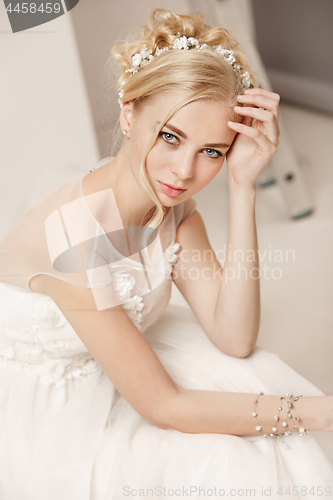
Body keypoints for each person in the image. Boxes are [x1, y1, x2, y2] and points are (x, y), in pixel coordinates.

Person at [0, 8, 332, 500]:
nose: (183, 171)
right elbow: (164, 405)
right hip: (44, 401)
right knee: (225, 461)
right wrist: (318, 411)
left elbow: (234, 336)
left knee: (253, 387)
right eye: (170, 137)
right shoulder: (75, 235)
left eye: (213, 151)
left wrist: (244, 188)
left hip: (123, 360)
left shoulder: (172, 209)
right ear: (128, 113)